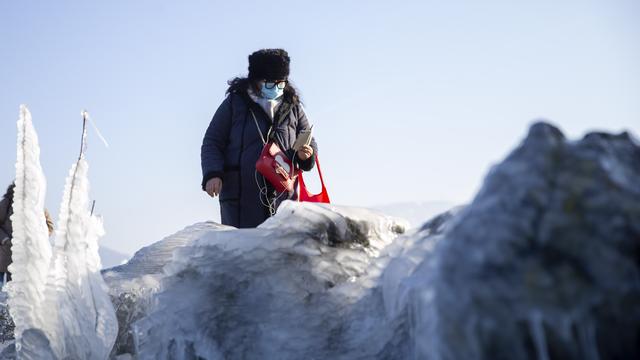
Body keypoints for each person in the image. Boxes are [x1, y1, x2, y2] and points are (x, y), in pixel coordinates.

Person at [201, 49, 318, 228]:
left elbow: (310, 141)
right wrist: (213, 174)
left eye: (281, 83)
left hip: (283, 197)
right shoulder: (234, 103)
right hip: (241, 198)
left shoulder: (293, 106)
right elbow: (212, 141)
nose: (276, 88)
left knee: (280, 251)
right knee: (243, 251)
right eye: (270, 83)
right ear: (255, 80)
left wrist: (306, 156)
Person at [0, 182, 54, 283]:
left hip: (27, 256)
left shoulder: (38, 206)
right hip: (5, 255)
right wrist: (5, 240)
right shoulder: (7, 203)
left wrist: (39, 239)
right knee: (5, 290)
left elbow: (49, 226)